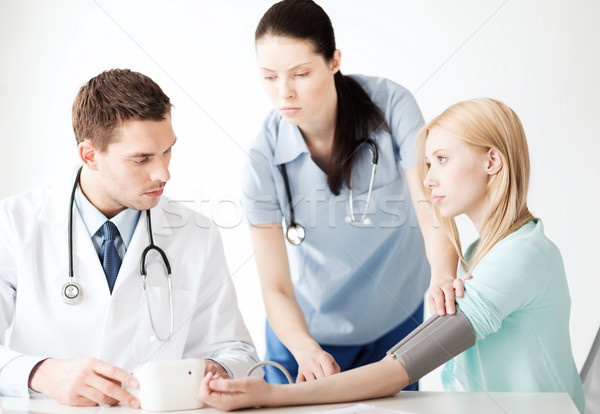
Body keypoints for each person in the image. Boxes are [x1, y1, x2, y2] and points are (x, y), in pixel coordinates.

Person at [200, 97, 585, 413]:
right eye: (428, 163)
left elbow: (399, 370)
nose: (429, 178)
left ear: (492, 162)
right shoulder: (482, 253)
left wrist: (272, 395)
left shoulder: (520, 257)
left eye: (442, 160)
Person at [0, 69, 260, 408]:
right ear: (89, 155)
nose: (164, 173)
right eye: (142, 158)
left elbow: (239, 352)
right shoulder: (13, 224)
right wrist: (39, 373)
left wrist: (219, 368)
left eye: (167, 151)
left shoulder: (197, 235)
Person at [243, 0, 459, 385]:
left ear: (334, 60)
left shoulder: (392, 105)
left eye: (301, 73)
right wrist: (306, 350)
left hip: (395, 320)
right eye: (269, 77)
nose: (284, 93)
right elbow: (274, 286)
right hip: (304, 334)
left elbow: (431, 206)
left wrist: (443, 274)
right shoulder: (263, 157)